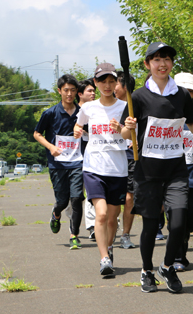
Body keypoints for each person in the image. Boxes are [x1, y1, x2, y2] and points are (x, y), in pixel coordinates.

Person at [120, 42, 193, 293]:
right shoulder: (136, 96)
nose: (163, 64)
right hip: (147, 172)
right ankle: (147, 270)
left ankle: (167, 266)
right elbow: (126, 133)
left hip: (176, 170)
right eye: (157, 59)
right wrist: (126, 126)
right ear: (148, 64)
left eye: (167, 59)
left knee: (179, 222)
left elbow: (191, 121)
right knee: (150, 225)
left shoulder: (181, 94)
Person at [74, 63, 128, 277]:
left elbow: (130, 134)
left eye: (111, 81)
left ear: (116, 83)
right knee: (102, 213)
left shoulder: (125, 107)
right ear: (95, 83)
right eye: (102, 81)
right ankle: (104, 258)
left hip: (118, 168)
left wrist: (121, 129)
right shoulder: (88, 108)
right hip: (93, 166)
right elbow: (78, 126)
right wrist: (78, 131)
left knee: (114, 217)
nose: (107, 85)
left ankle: (110, 246)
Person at [33, 74, 85, 250]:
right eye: (66, 90)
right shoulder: (50, 113)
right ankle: (56, 214)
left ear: (77, 92)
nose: (69, 94)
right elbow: (37, 134)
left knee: (77, 198)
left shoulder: (82, 113)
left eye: (72, 90)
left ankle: (74, 235)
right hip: (58, 164)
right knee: (62, 201)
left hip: (78, 162)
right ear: (59, 91)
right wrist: (50, 147)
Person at [172, 72, 193, 272]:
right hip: (172, 177)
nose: (186, 95)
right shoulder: (165, 116)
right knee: (177, 218)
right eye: (181, 91)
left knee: (191, 218)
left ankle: (181, 243)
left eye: (190, 92)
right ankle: (177, 256)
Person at [114, 71, 137, 249]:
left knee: (130, 198)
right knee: (111, 201)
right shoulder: (100, 106)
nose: (110, 87)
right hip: (110, 158)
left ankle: (125, 234)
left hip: (129, 156)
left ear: (124, 87)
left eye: (114, 83)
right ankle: (108, 228)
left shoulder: (134, 105)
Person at [75, 79, 97, 239]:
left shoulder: (98, 110)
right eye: (89, 91)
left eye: (94, 90)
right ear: (80, 94)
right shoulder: (73, 110)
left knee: (91, 193)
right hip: (74, 158)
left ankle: (92, 226)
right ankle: (71, 221)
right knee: (74, 198)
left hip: (93, 156)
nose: (93, 93)